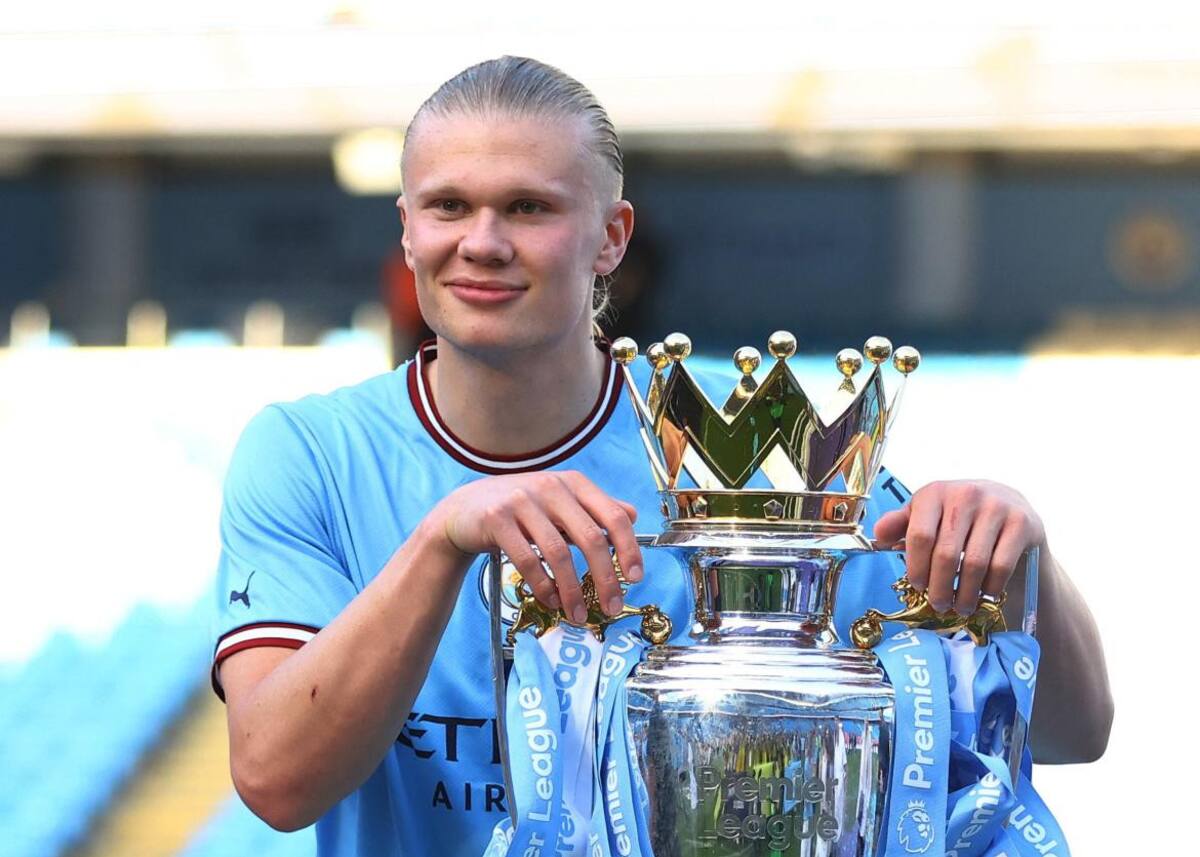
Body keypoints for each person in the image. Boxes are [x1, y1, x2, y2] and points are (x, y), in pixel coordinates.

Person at [211, 57, 1113, 855]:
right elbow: (277, 781)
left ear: (611, 236)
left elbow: (1073, 731)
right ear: (408, 228)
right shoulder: (309, 453)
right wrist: (444, 540)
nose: (482, 241)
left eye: (528, 207)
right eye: (449, 205)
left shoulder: (739, 437)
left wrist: (1018, 557)